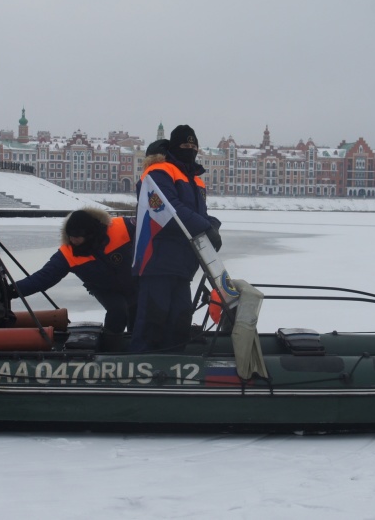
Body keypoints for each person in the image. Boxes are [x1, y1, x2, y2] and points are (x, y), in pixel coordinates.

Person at [130, 125, 222, 352]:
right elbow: (169, 210)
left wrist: (213, 225)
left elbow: (198, 213)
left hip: (184, 263)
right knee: (153, 320)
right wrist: (204, 227)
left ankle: (174, 366)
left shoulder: (195, 179)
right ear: (173, 147)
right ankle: (142, 366)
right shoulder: (159, 172)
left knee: (179, 320)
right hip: (157, 259)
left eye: (193, 146)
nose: (190, 150)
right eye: (184, 145)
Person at [12, 208, 137, 345]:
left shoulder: (122, 228)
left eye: (77, 236)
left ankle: (138, 345)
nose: (73, 240)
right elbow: (43, 277)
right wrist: (12, 290)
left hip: (136, 282)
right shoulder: (68, 253)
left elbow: (152, 230)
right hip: (104, 289)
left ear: (90, 233)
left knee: (141, 312)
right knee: (118, 310)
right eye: (70, 236)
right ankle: (112, 347)